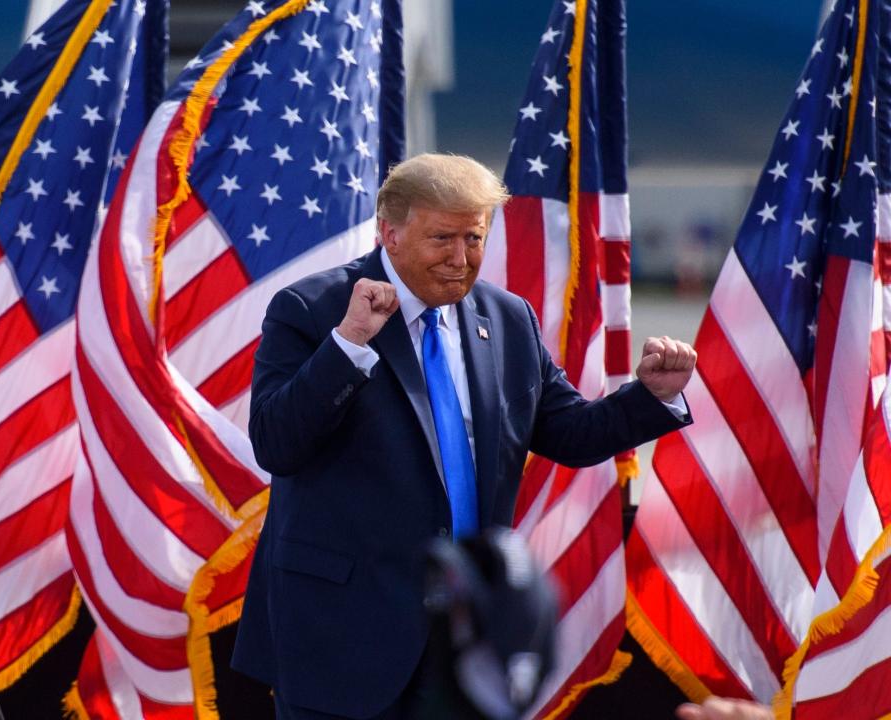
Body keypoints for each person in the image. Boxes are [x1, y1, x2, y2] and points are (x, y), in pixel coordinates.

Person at [231, 153, 696, 720]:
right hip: (343, 640)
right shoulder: (312, 309)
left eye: (474, 238)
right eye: (442, 238)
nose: (460, 259)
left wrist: (652, 395)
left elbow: (570, 432)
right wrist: (349, 342)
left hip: (467, 643)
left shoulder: (507, 319)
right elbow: (277, 443)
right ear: (390, 233)